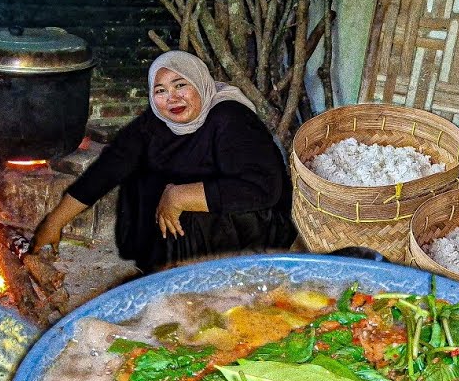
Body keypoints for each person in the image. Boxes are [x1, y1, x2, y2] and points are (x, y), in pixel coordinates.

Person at [32, 50, 296, 273]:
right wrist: (54, 222)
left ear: (200, 82)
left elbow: (263, 189)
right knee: (142, 180)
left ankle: (202, 275)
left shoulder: (230, 118)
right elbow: (107, 169)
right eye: (161, 90)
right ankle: (163, 265)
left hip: (253, 225)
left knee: (187, 206)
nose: (172, 97)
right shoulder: (154, 124)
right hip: (199, 226)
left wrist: (181, 196)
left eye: (180, 84)